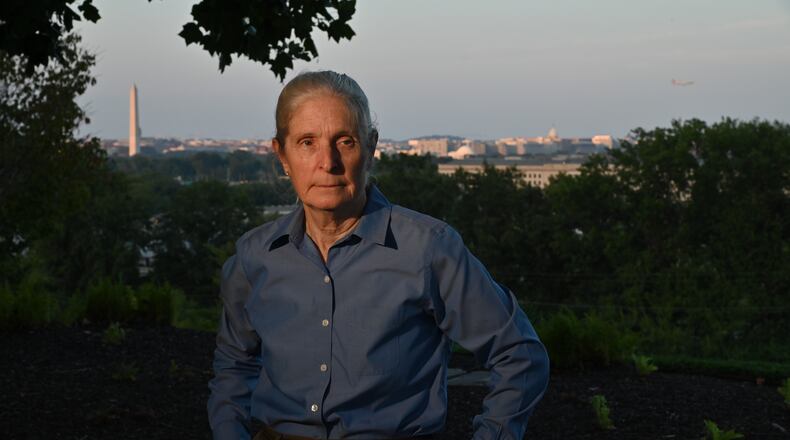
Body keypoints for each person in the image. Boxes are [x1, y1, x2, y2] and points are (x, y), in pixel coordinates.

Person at [207, 71, 549, 440]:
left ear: (370, 147)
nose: (328, 162)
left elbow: (520, 355)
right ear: (282, 155)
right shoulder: (254, 257)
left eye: (345, 141)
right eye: (307, 142)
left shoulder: (428, 249)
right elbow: (234, 366)